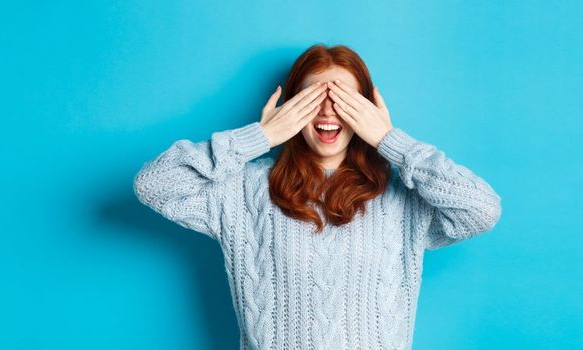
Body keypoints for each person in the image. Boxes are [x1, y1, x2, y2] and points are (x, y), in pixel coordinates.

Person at [133, 44, 502, 350]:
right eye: (313, 98)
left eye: (343, 99)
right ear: (292, 108)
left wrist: (391, 142)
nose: (328, 110)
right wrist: (259, 136)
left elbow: (482, 209)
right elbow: (154, 184)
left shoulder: (401, 197)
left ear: (366, 111)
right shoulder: (243, 190)